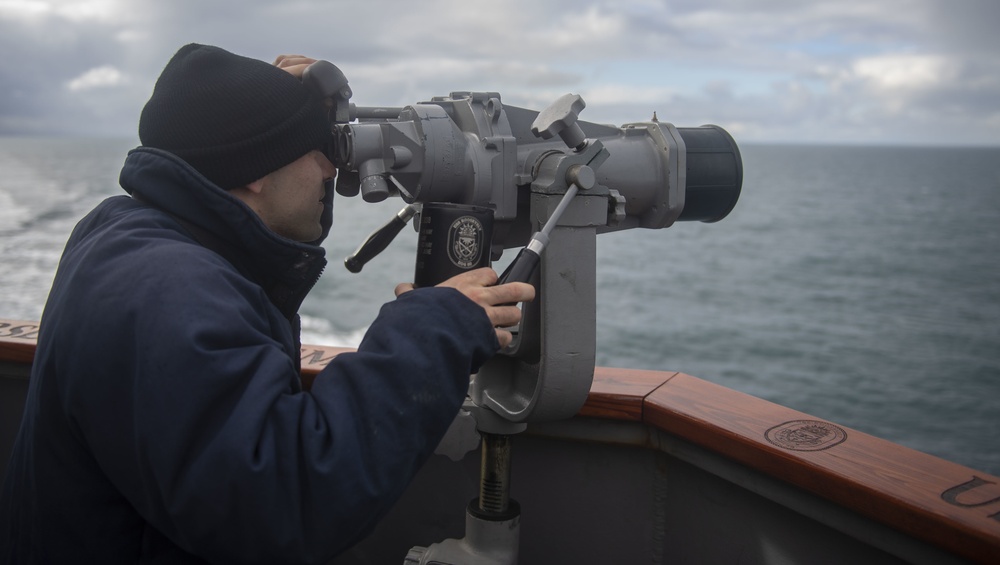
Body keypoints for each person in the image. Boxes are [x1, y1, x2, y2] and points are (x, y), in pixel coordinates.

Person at [0, 44, 534, 564]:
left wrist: (299, 116)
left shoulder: (129, 233)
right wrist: (432, 330)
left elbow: (266, 230)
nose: (331, 171)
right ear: (254, 171)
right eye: (315, 153)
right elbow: (284, 499)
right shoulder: (170, 293)